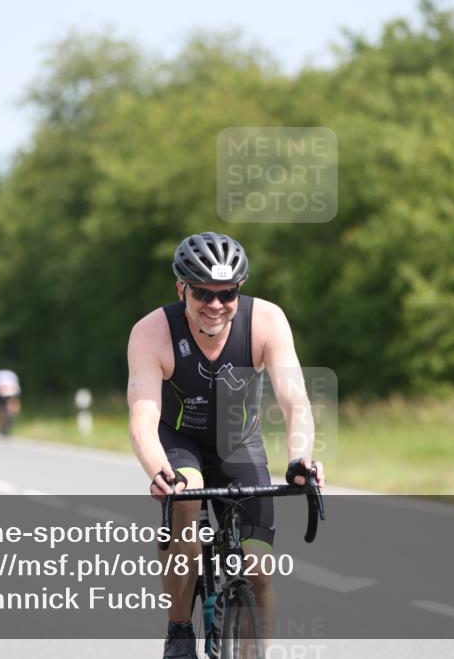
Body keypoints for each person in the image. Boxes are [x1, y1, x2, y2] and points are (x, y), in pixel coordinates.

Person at [127, 232, 326, 659]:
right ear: (181, 288)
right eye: (202, 293)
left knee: (259, 572)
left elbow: (295, 402)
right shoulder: (152, 331)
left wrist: (300, 459)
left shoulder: (267, 321)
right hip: (179, 442)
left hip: (239, 444)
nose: (215, 305)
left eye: (227, 293)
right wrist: (160, 473)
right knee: (184, 502)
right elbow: (143, 420)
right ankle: (180, 629)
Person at [0, 369, 21, 435]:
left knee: (11, 403)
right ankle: (1, 423)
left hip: (7, 389)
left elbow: (16, 397)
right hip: (0, 390)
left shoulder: (11, 381)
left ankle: (9, 417)